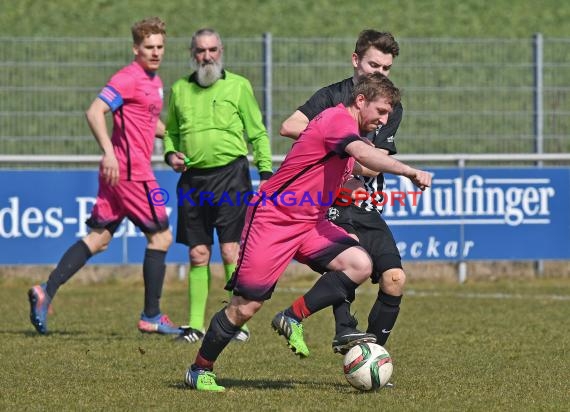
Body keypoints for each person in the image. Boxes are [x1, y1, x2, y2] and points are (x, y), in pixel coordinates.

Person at [184, 72, 432, 391]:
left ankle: (292, 316)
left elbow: (351, 165)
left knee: (359, 263)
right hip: (274, 219)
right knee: (246, 305)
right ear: (360, 101)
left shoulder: (350, 133)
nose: (385, 120)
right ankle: (199, 368)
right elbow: (365, 156)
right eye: (381, 111)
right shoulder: (336, 121)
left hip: (310, 222)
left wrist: (356, 186)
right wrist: (409, 171)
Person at [27, 17, 181, 336]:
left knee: (98, 239)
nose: (155, 52)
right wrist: (109, 151)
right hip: (130, 173)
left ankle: (46, 290)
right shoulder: (128, 77)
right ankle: (151, 315)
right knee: (161, 237)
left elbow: (147, 123)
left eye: (160, 47)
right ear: (135, 49)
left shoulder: (153, 81)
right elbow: (94, 111)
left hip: (121, 174)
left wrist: (176, 136)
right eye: (149, 47)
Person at [280, 30, 407, 354]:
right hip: (329, 203)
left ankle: (371, 359)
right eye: (374, 65)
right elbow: (289, 125)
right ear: (355, 60)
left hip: (364, 203)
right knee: (350, 260)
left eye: (386, 68)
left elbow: (375, 165)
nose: (380, 73)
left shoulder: (388, 106)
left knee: (395, 280)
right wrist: (335, 139)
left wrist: (355, 156)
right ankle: (344, 329)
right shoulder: (331, 96)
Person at [163, 28, 273, 344]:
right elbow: (170, 132)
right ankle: (195, 325)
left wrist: (265, 172)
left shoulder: (239, 86)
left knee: (229, 251)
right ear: (192, 53)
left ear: (221, 51)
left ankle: (236, 321)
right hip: (193, 179)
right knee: (198, 254)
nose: (207, 56)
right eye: (201, 50)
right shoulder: (180, 89)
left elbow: (258, 134)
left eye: (212, 49)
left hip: (232, 176)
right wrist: (170, 153)